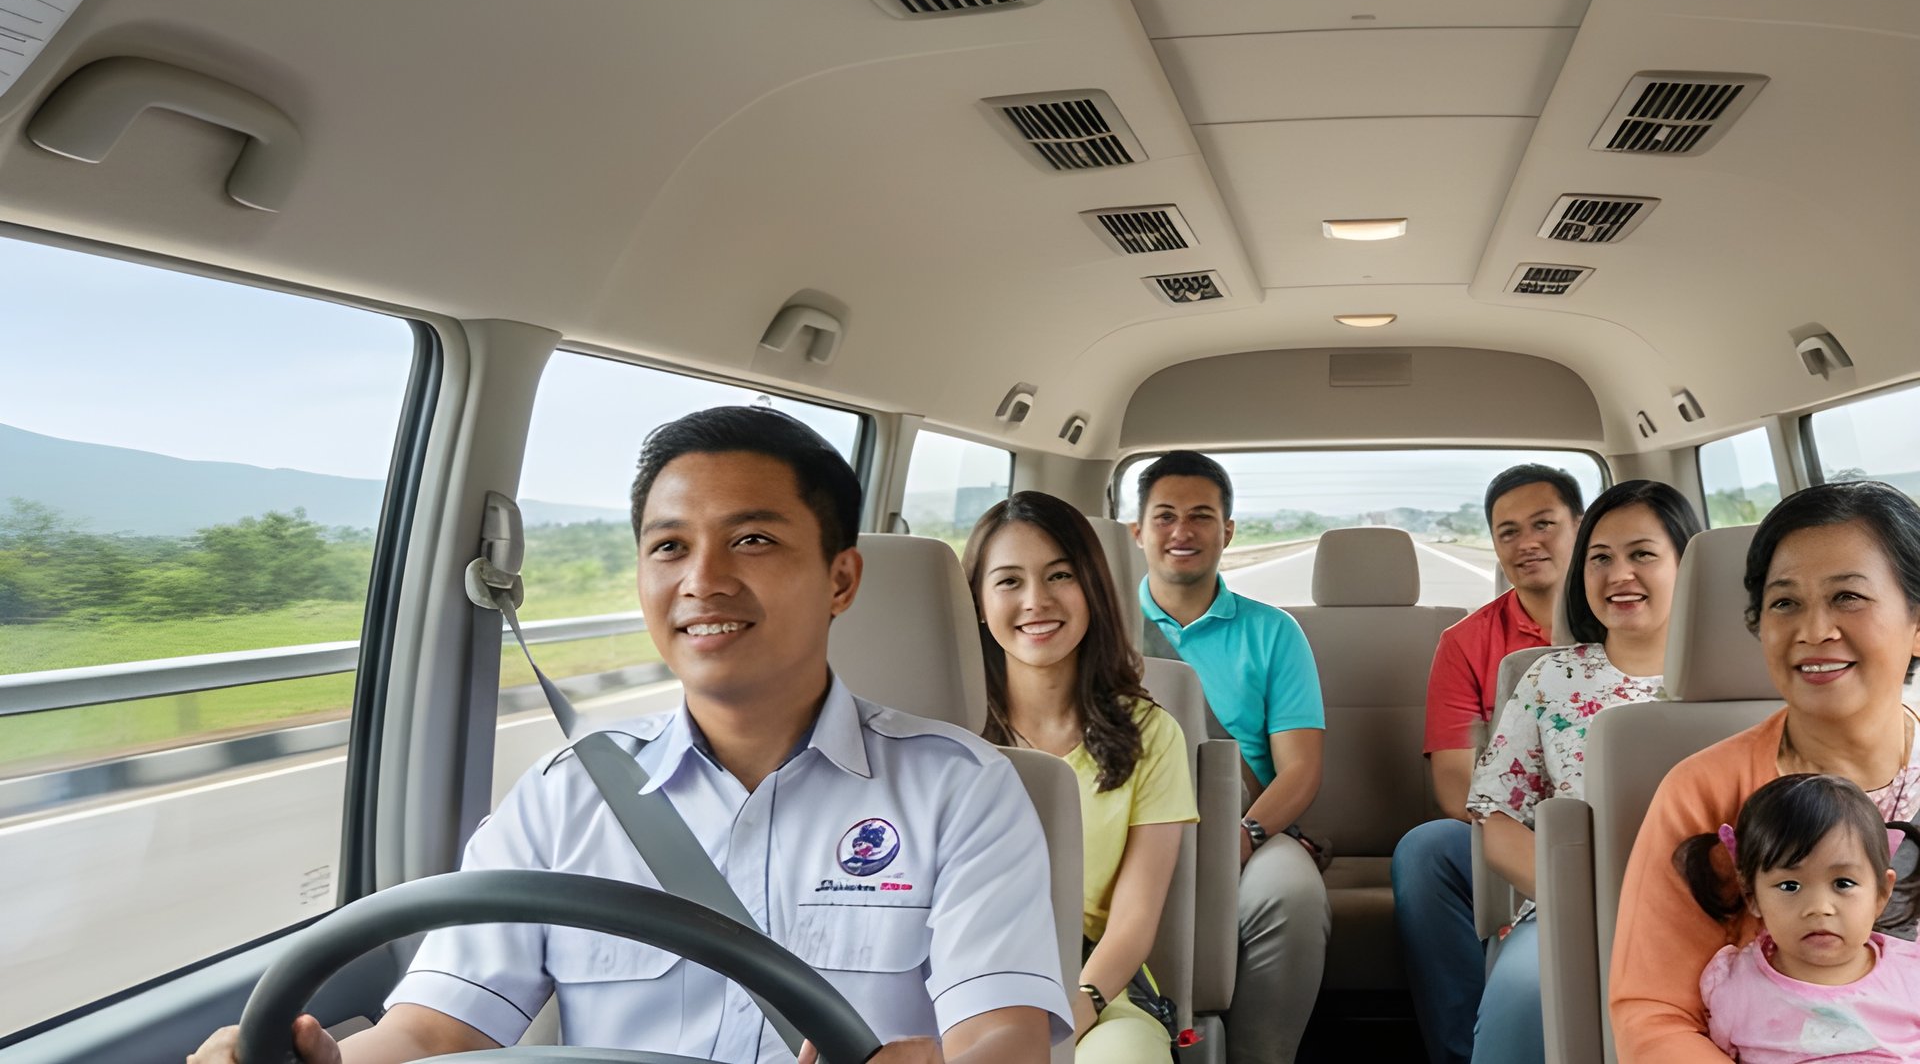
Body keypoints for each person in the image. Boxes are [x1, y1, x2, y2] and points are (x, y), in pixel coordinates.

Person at [190, 406, 1070, 1064]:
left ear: (841, 579)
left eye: (752, 539)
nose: (703, 580)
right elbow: (435, 1028)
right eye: (669, 546)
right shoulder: (566, 795)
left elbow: (1004, 1036)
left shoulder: (960, 787)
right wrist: (328, 1061)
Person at [1611, 481, 1920, 1064]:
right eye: (1784, 603)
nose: (1814, 630)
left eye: (1848, 596)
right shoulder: (1701, 792)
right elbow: (1656, 1016)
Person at [1465, 479, 1702, 1064]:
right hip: (1573, 909)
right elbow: (1496, 818)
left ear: (1689, 566)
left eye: (1642, 554)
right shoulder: (1550, 679)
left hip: (1723, 910)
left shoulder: (1744, 683)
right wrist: (1583, 900)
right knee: (1525, 992)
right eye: (1600, 558)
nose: (1619, 575)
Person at [961, 491, 1199, 1063]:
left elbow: (1134, 920)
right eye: (1009, 581)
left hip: (1091, 986)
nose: (1036, 601)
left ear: (1091, 587)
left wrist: (1076, 1008)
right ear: (977, 604)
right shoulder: (941, 732)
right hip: (959, 988)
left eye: (1060, 575)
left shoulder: (1151, 734)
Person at [1128, 450, 1329, 1064]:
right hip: (1125, 827)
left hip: (1244, 827)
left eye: (1201, 516)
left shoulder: (1273, 632)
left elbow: (1300, 768)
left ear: (1228, 531)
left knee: (1292, 897)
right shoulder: (1098, 626)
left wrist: (1244, 835)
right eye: (1165, 516)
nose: (1181, 531)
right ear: (1137, 531)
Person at [1392, 465, 1585, 1064]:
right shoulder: (1468, 642)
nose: (1527, 543)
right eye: (1509, 532)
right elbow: (1456, 787)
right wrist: (1527, 845)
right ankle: (1463, 1049)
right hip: (1510, 831)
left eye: (1544, 524)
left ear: (1581, 527)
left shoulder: (1638, 624)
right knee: (1425, 848)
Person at [1672, 773, 1920, 1061]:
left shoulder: (1912, 975)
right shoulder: (1735, 988)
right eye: (1790, 886)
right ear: (1752, 896)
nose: (1819, 907)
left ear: (1881, 893)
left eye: (1843, 883)